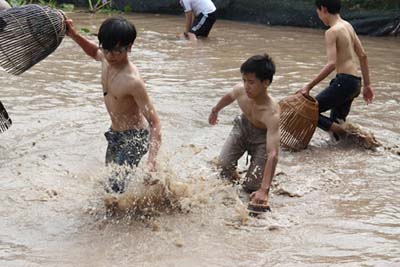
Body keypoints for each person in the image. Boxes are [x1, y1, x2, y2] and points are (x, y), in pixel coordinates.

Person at [65, 16, 162, 193]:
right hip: (115, 134)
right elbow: (94, 52)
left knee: (114, 188)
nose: (111, 56)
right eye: (107, 49)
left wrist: (151, 163)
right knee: (109, 185)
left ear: (129, 47)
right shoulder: (105, 57)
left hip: (135, 138)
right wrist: (73, 35)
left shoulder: (133, 82)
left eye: (117, 51)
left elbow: (155, 122)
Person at [208, 54, 280, 209]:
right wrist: (215, 111)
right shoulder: (241, 91)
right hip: (243, 127)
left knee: (251, 187)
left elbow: (273, 154)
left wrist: (264, 190)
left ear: (266, 82)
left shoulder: (271, 113)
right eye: (244, 80)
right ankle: (236, 175)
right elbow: (229, 96)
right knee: (223, 167)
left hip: (262, 138)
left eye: (251, 82)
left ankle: (261, 181)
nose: (246, 86)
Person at [299, 0, 374, 139]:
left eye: (318, 12)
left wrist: (308, 86)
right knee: (337, 132)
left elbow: (331, 64)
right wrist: (367, 85)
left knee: (309, 111)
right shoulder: (348, 26)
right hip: (355, 83)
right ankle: (352, 141)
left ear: (323, 9)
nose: (319, 16)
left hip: (344, 82)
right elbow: (363, 56)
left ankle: (352, 135)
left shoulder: (331, 32)